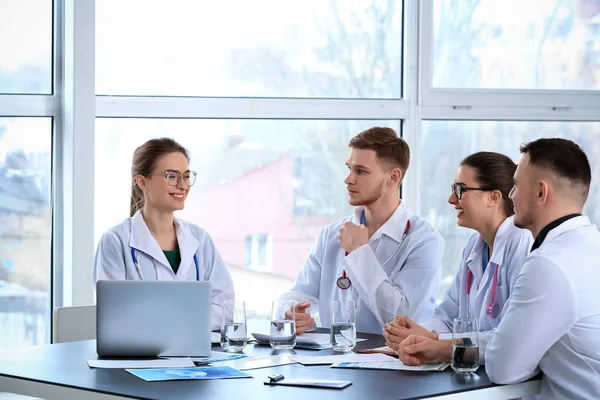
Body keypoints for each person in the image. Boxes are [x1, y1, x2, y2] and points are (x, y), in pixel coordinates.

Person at [281, 127, 444, 335]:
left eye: (361, 171)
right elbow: (300, 293)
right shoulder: (331, 234)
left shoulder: (424, 240)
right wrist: (291, 312)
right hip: (331, 360)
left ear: (393, 177)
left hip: (397, 361)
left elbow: (401, 318)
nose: (348, 179)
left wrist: (359, 252)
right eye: (349, 168)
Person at [384, 152, 533, 365]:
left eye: (460, 190)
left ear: (494, 197)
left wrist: (435, 341)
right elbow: (449, 315)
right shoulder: (475, 245)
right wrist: (416, 333)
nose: (451, 199)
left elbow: (510, 338)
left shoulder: (521, 243)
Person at [482, 138, 599, 399]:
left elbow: (503, 369)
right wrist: (453, 347)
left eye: (515, 185)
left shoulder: (549, 264)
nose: (510, 195)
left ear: (540, 192)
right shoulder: (590, 246)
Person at [93, 137, 234, 330]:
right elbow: (115, 313)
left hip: (198, 353)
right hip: (140, 355)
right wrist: (185, 321)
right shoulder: (116, 241)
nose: (183, 185)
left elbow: (224, 306)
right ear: (142, 181)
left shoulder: (199, 239)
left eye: (186, 176)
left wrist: (169, 324)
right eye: (171, 176)